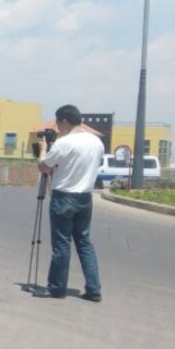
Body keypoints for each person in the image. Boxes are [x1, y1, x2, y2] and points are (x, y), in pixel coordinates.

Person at [35, 104, 104, 301]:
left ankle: (56, 288)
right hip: (85, 197)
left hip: (64, 197)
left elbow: (44, 167)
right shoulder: (96, 142)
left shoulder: (64, 143)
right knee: (84, 242)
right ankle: (94, 289)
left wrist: (43, 150)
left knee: (61, 244)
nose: (57, 127)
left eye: (58, 123)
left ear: (64, 121)